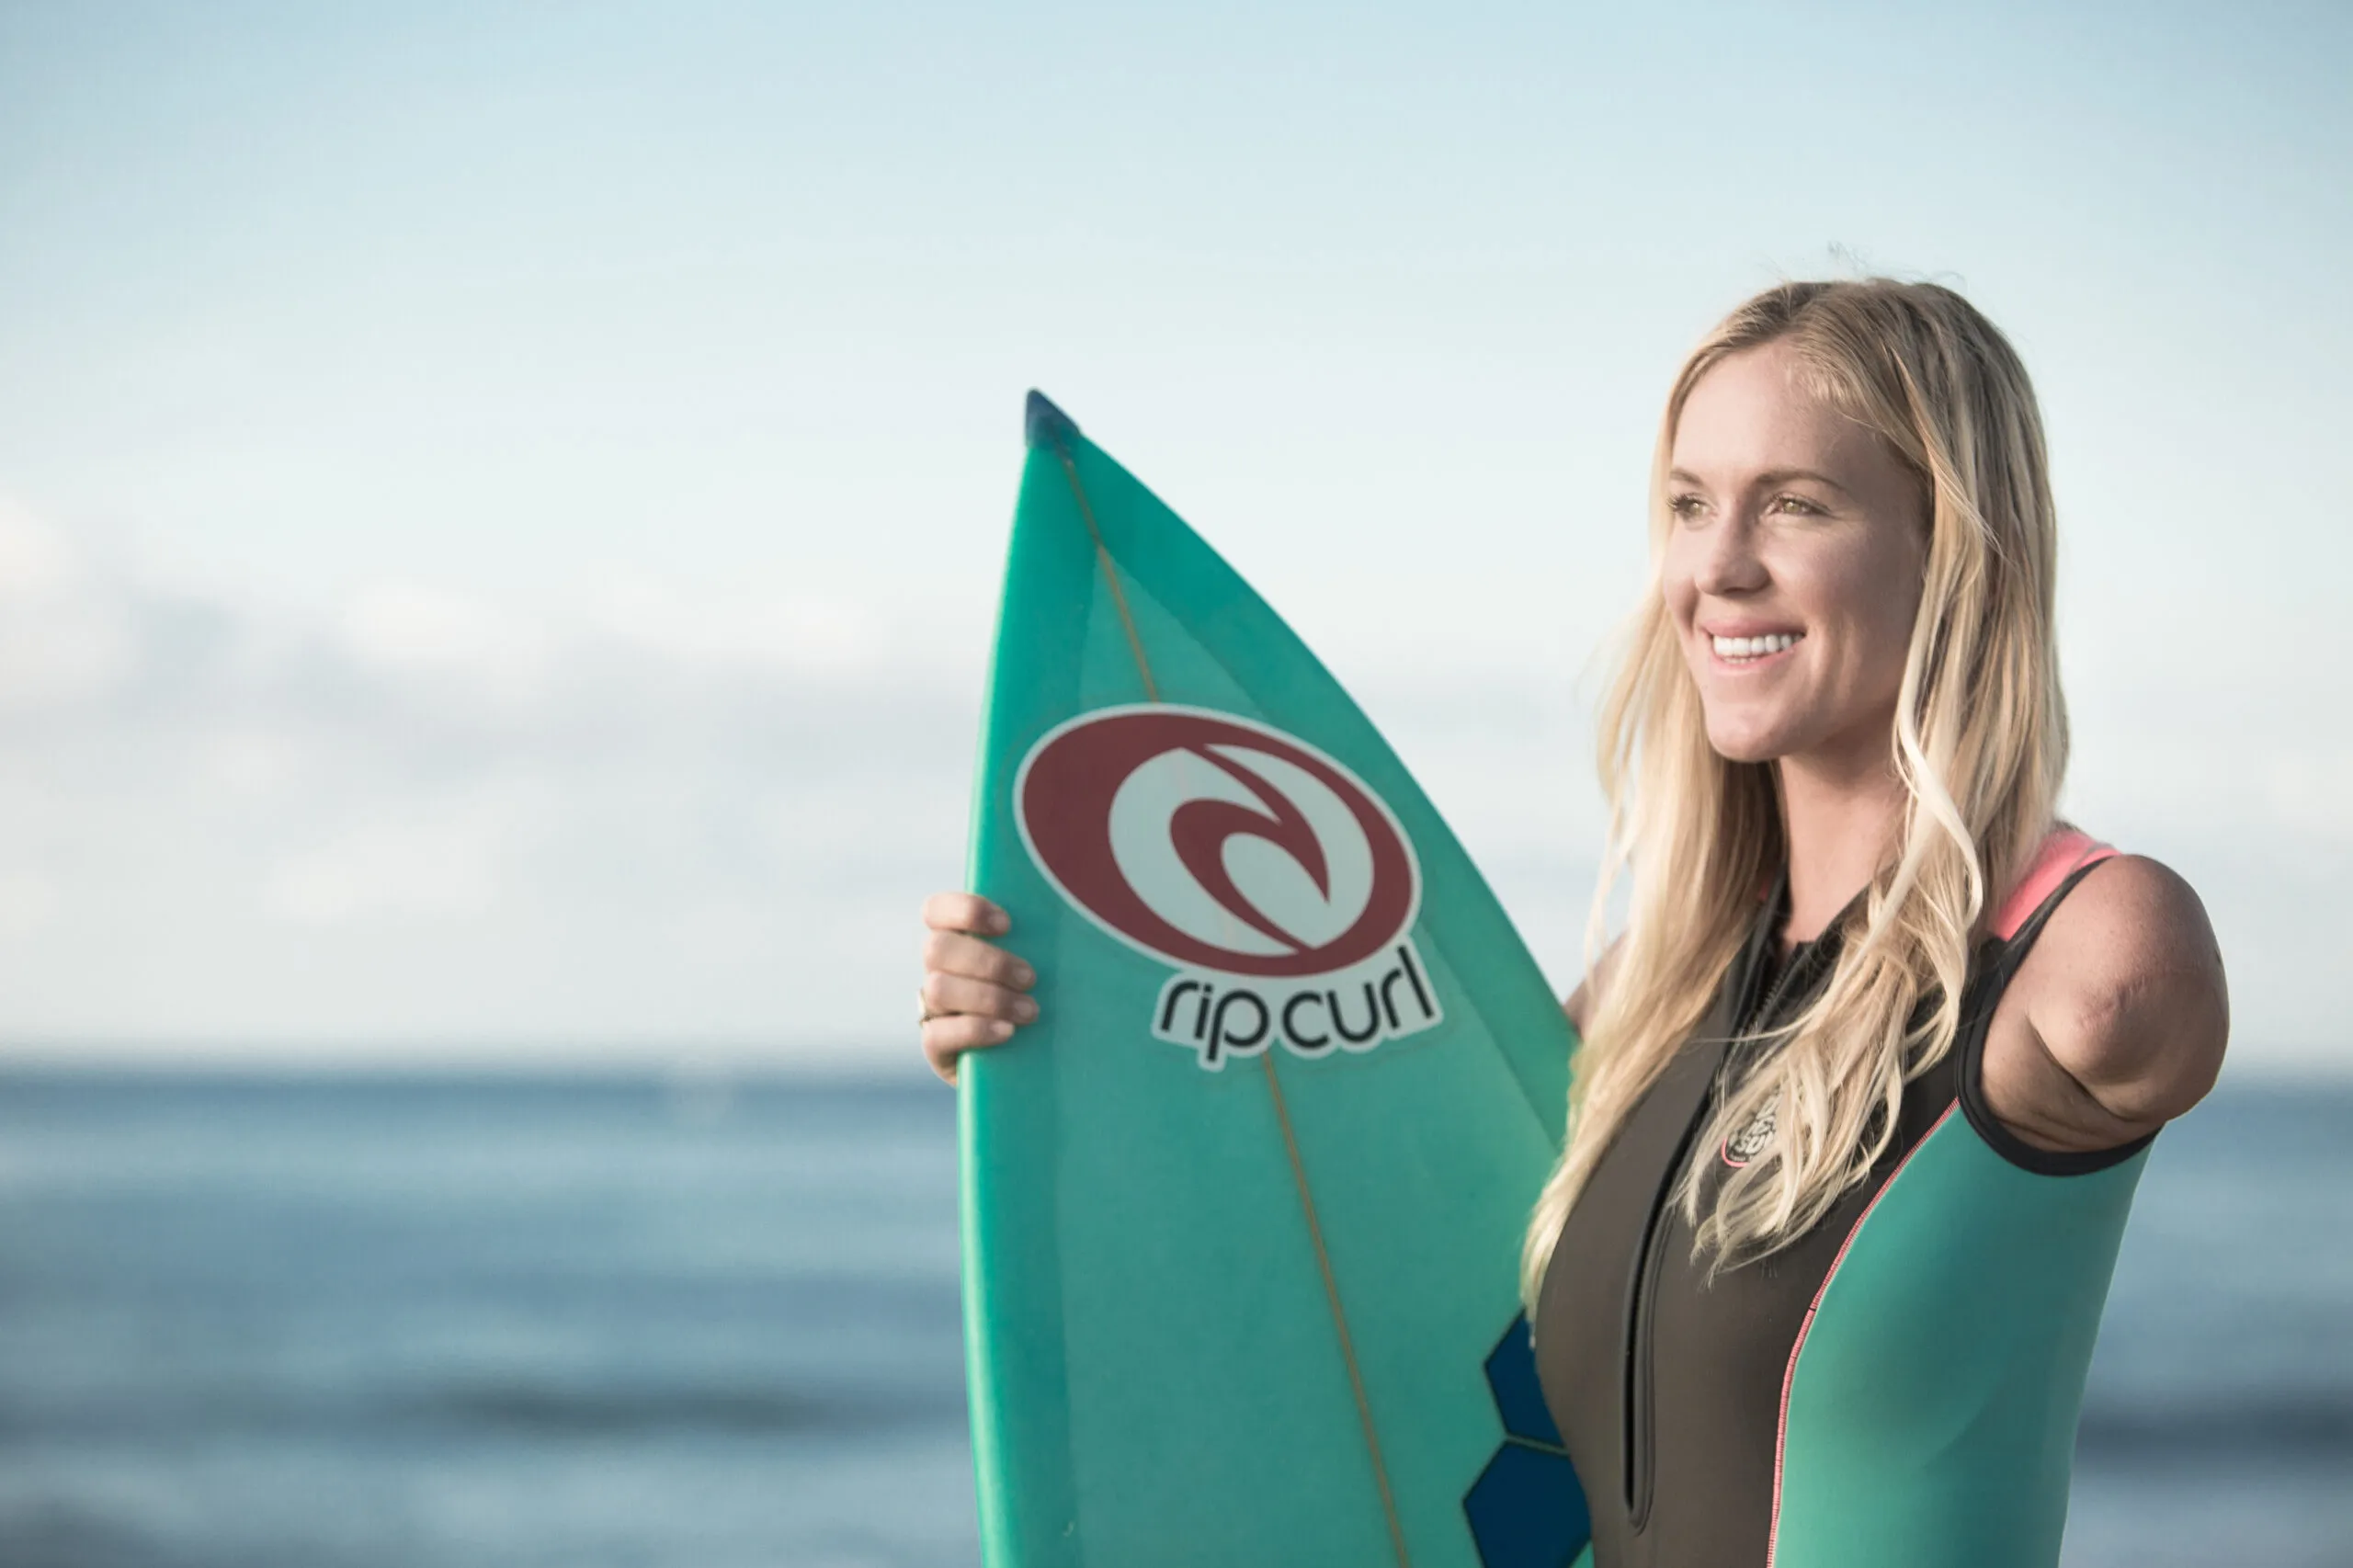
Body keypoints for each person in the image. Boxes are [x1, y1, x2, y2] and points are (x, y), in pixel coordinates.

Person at [914, 278, 2229, 1567]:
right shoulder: (1645, 1000)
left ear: (1954, 545)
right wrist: (1050, 1025)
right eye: (1689, 506)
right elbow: (1327, 1197)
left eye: (1797, 505)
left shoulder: (2090, 957)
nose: (1716, 567)